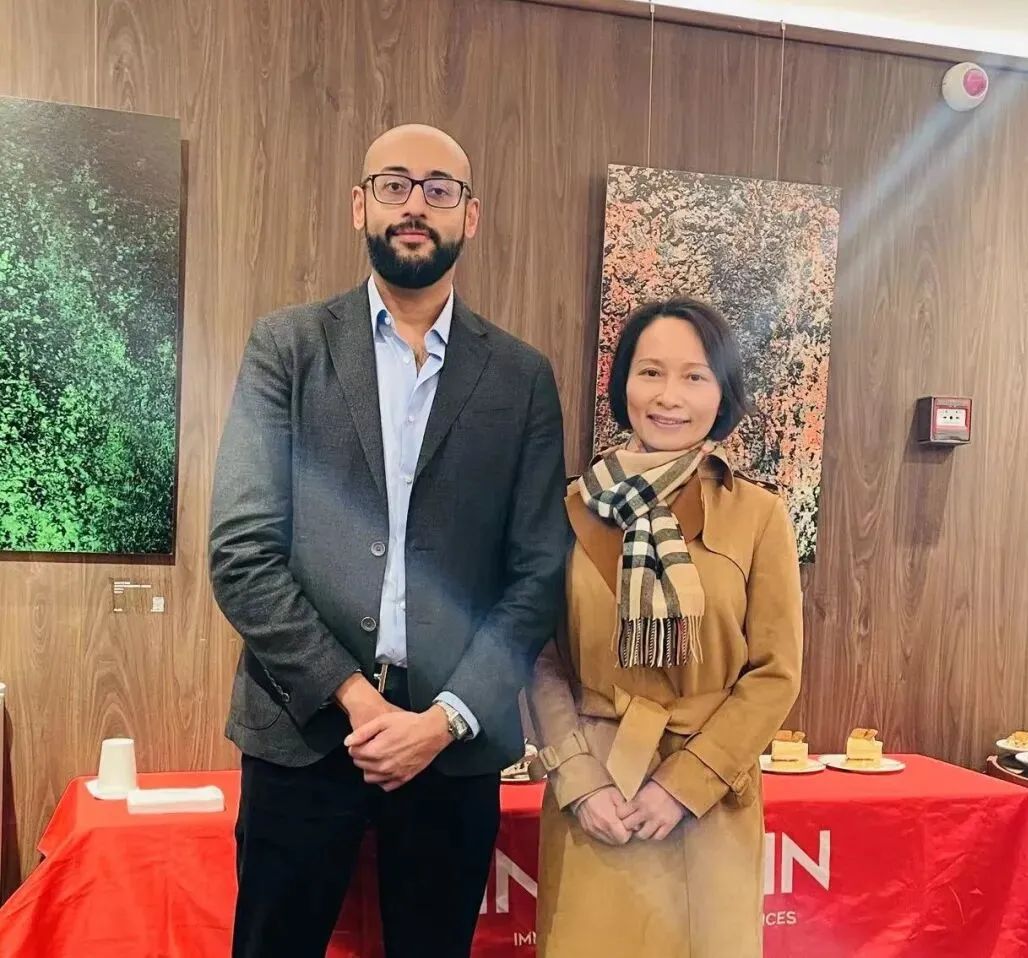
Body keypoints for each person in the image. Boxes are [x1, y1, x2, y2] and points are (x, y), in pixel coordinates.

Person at [209, 123, 568, 958]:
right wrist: (358, 700)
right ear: (359, 205)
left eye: (439, 189)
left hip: (454, 745)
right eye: (394, 184)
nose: (415, 204)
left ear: (469, 216)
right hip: (303, 732)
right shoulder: (287, 348)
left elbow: (538, 574)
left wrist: (443, 719)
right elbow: (242, 551)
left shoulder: (520, 378)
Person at [525, 297, 803, 957]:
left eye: (694, 376)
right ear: (623, 384)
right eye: (650, 372)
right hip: (597, 798)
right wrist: (577, 778)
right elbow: (537, 656)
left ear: (721, 392)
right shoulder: (568, 508)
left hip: (710, 798)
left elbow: (774, 672)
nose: (668, 396)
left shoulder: (758, 514)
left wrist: (685, 785)